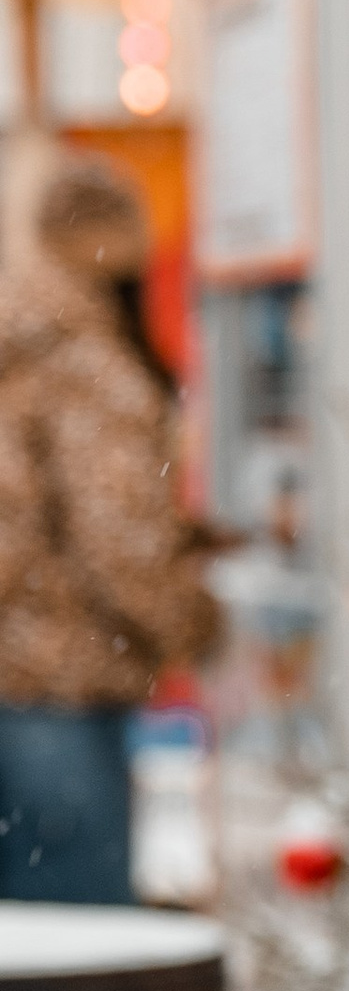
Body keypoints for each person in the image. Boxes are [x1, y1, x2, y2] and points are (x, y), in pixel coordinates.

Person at [0, 156, 218, 903]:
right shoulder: (87, 363)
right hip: (60, 688)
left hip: (16, 679)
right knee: (78, 946)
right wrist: (193, 620)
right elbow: (118, 536)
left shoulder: (19, 346)